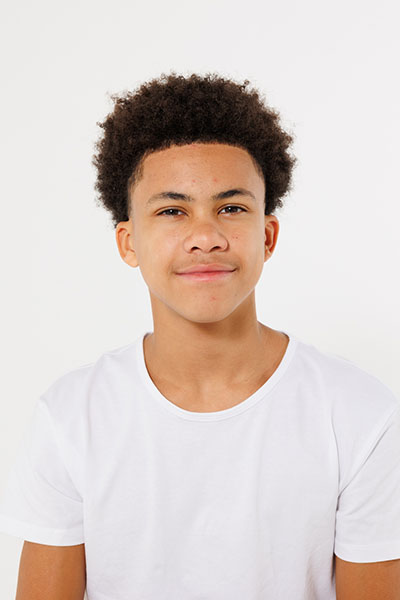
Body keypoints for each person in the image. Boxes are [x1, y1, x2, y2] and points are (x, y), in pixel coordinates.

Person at [0, 71, 399, 600]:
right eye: (172, 211)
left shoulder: (361, 415)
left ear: (267, 235)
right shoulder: (71, 418)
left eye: (231, 208)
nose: (205, 237)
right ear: (128, 242)